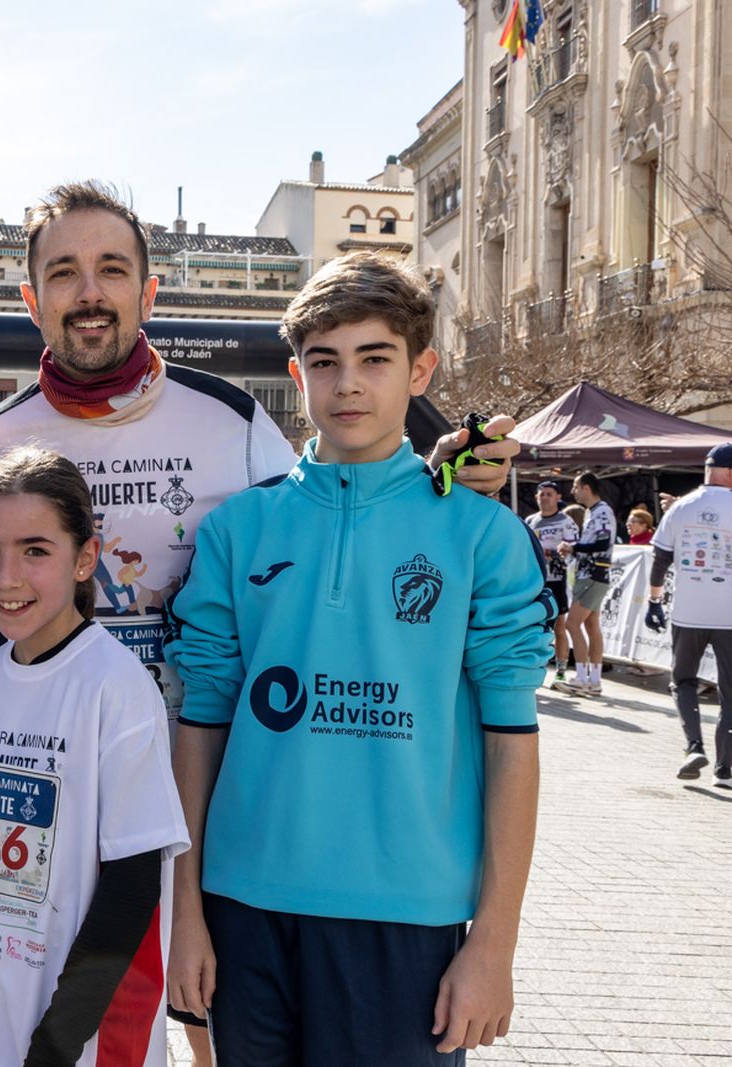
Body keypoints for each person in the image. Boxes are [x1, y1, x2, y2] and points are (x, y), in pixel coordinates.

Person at [0, 181, 519, 1062]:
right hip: (57, 792)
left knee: (191, 1030)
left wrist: (439, 482)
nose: (90, 291)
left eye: (112, 268)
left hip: (218, 816)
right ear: (29, 296)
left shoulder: (229, 418)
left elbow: (342, 479)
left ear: (148, 291)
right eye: (65, 271)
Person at [165, 253, 550, 1065]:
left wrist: (495, 943)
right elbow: (199, 722)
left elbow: (512, 741)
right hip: (243, 906)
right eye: (324, 361)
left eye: (374, 359)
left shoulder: (481, 535)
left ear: (421, 369)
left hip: (408, 918)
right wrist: (187, 909)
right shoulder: (239, 529)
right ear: (296, 372)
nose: (348, 384)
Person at [0, 445, 188, 1067]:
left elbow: (132, 889)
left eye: (35, 550)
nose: (6, 577)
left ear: (85, 558)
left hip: (76, 1037)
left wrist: (56, 1048)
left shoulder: (115, 687)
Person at [645, 442, 732, 786]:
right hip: (729, 615)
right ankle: (725, 769)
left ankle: (693, 744)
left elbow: (660, 560)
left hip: (688, 611)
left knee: (683, 681)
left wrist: (654, 601)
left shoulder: (681, 507)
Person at [552, 472, 615, 698]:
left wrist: (573, 548)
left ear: (587, 488)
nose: (573, 491)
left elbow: (603, 542)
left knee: (572, 624)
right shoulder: (594, 512)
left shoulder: (601, 511)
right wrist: (574, 547)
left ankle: (581, 677)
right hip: (591, 574)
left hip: (593, 574)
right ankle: (594, 680)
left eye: (576, 487)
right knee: (591, 626)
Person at [526, 481, 579, 683]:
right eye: (541, 495)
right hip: (537, 580)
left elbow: (574, 549)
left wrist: (553, 553)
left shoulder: (566, 521)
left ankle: (561, 670)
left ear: (558, 497)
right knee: (536, 625)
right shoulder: (531, 520)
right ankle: (535, 665)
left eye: (549, 494)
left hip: (558, 579)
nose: (545, 498)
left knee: (559, 626)